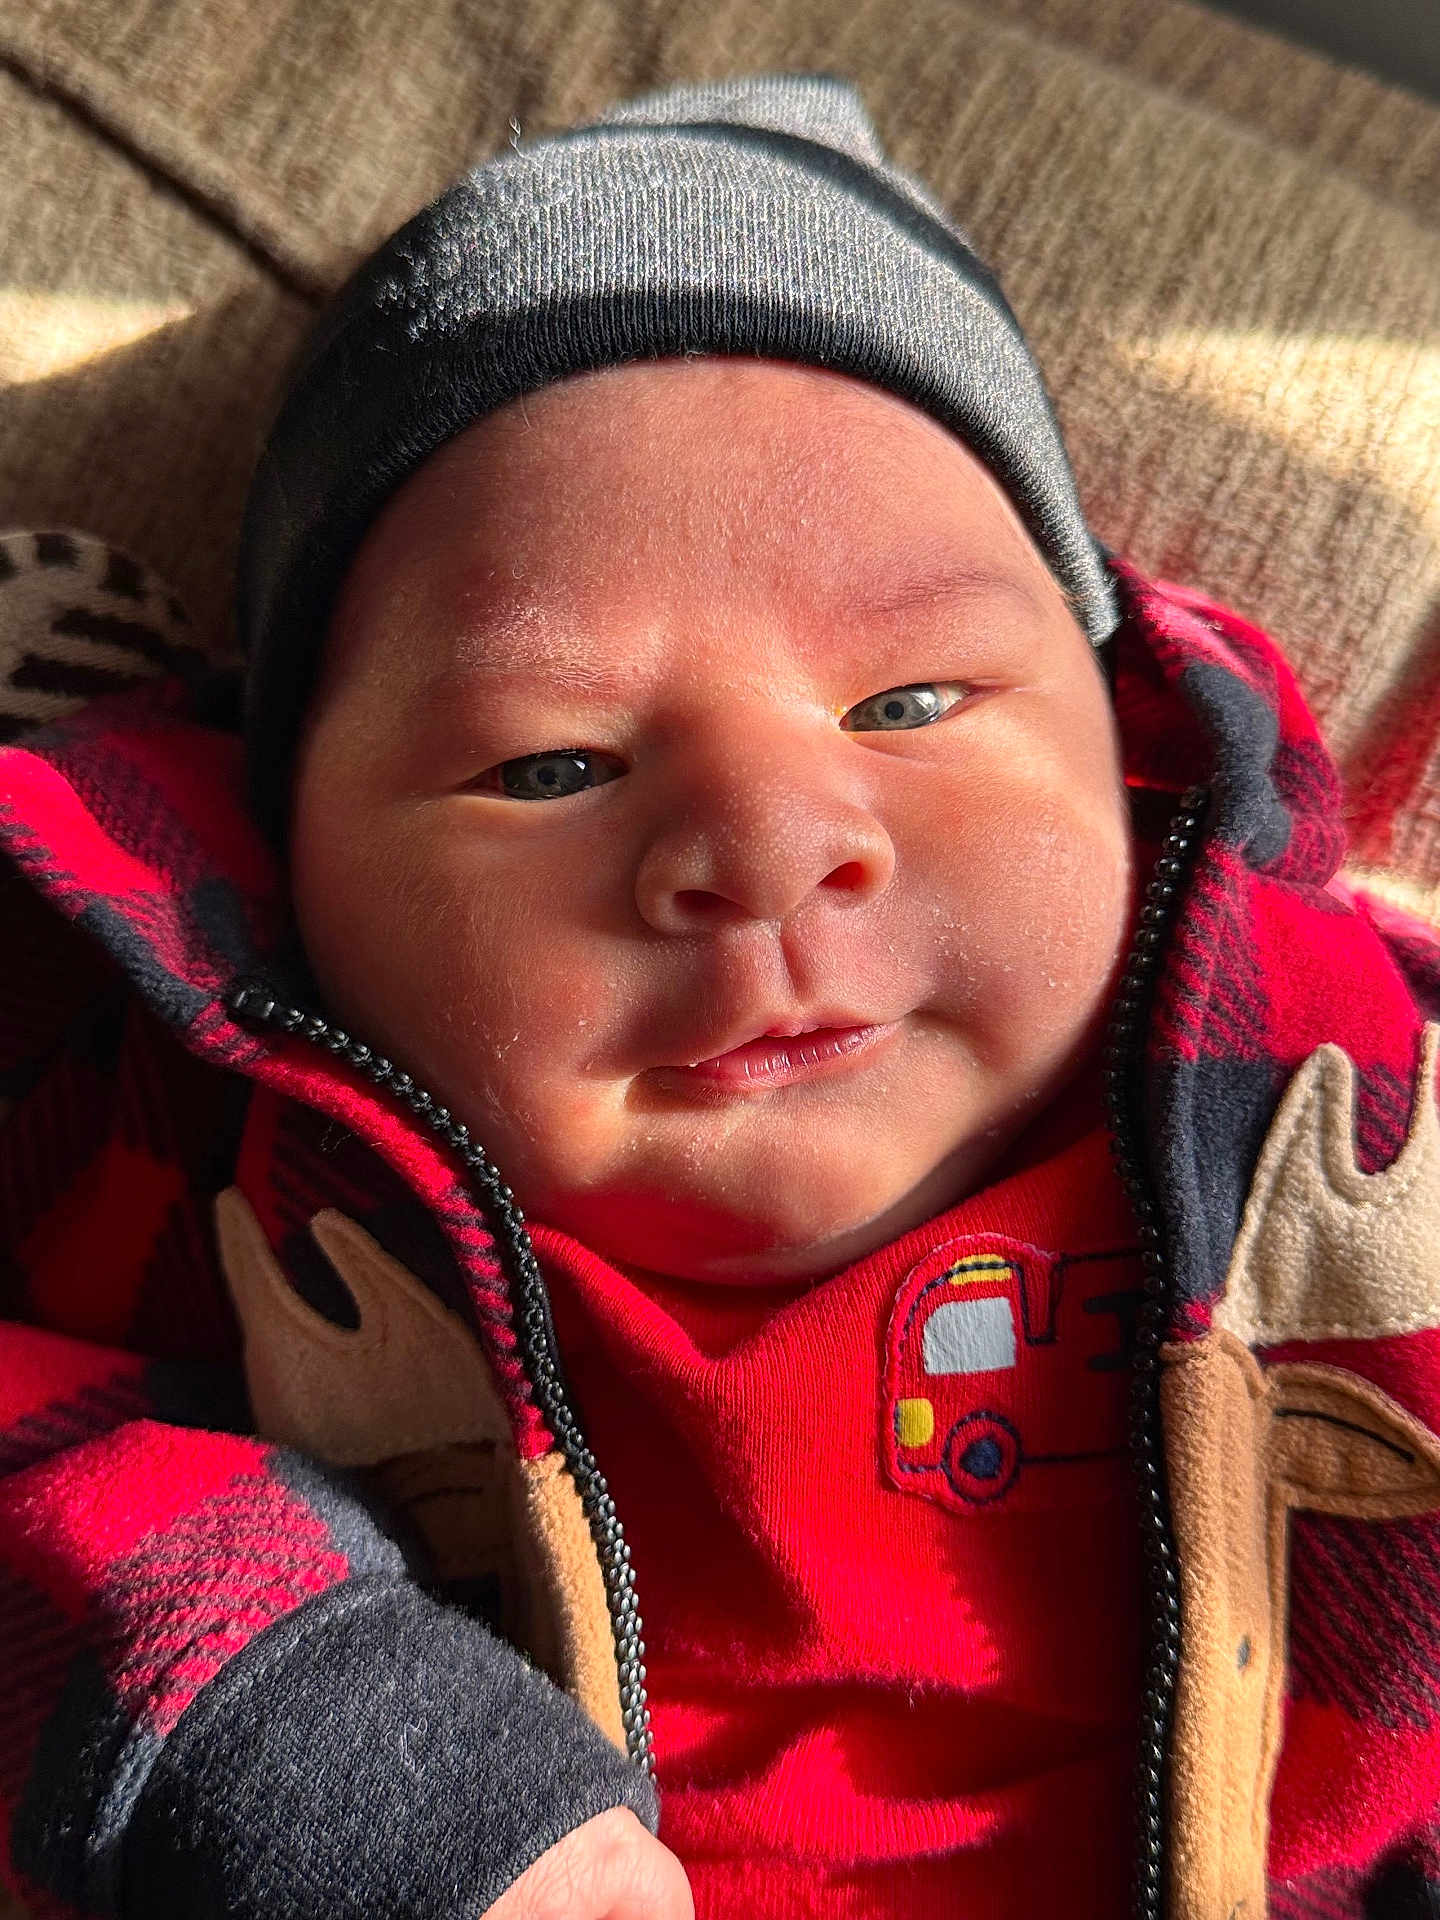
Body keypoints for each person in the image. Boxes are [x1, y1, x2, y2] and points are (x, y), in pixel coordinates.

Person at [2, 70, 1439, 1920]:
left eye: (914, 705)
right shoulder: (215, 1162)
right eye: (549, 765)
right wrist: (308, 1746)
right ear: (294, 877)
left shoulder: (1359, 1099)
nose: (766, 844)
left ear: (1135, 737)